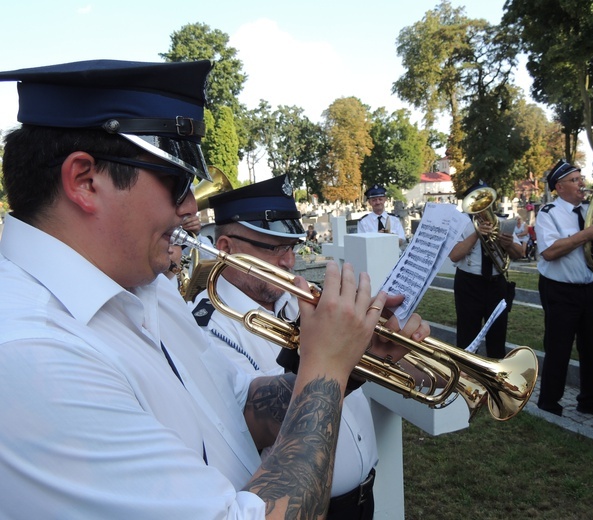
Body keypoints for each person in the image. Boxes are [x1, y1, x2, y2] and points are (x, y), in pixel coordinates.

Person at [0, 59, 427, 519]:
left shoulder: (148, 289)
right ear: (85, 181)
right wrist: (325, 368)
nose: (190, 208)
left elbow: (242, 405)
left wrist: (355, 360)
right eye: (178, 181)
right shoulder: (30, 354)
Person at [191, 175, 379, 519]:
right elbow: (255, 423)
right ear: (225, 248)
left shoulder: (298, 302)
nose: (289, 262)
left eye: (290, 247)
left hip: (365, 497)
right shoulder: (205, 328)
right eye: (273, 248)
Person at [535, 159, 593, 420]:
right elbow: (550, 251)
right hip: (559, 290)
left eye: (582, 179)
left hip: (589, 288)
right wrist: (586, 234)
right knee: (559, 347)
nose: (583, 184)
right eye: (575, 180)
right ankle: (549, 403)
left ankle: (590, 401)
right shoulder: (549, 212)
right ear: (560, 186)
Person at [448, 181, 523, 359]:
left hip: (497, 285)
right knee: (467, 339)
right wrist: (477, 234)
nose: (482, 209)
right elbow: (454, 255)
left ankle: (495, 382)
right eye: (477, 204)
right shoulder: (462, 225)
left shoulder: (502, 222)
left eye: (485, 203)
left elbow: (520, 253)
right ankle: (466, 379)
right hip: (469, 285)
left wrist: (508, 243)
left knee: (497, 339)